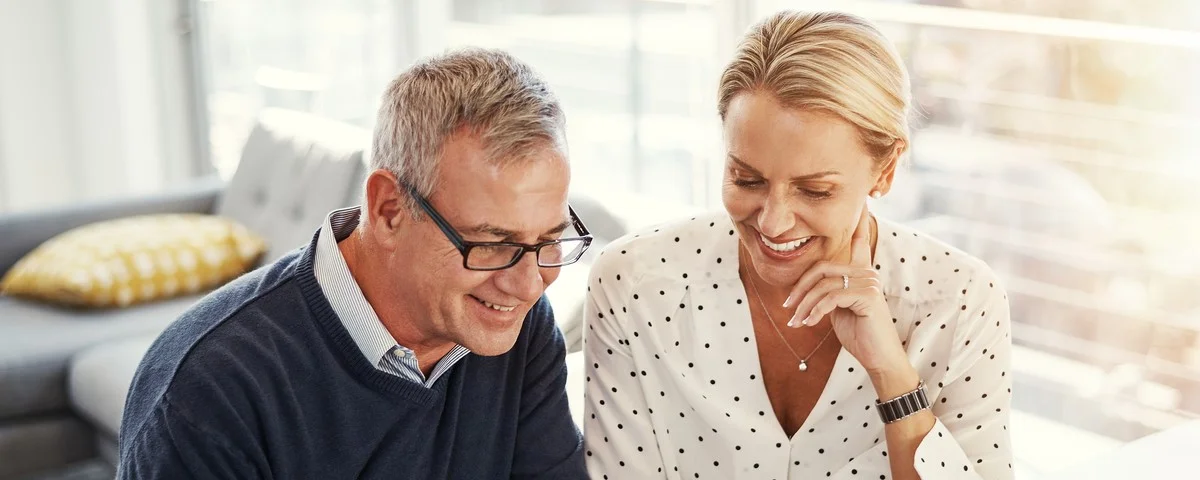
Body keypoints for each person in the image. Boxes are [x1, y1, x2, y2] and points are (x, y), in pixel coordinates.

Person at [118, 48, 591, 479]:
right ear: (388, 210)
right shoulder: (210, 392)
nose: (529, 285)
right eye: (492, 244)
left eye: (549, 240)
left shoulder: (516, 328)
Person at [583, 11, 1013, 480]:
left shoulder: (962, 301)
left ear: (886, 170)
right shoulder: (635, 285)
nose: (773, 221)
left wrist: (892, 375)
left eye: (815, 190)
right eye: (746, 178)